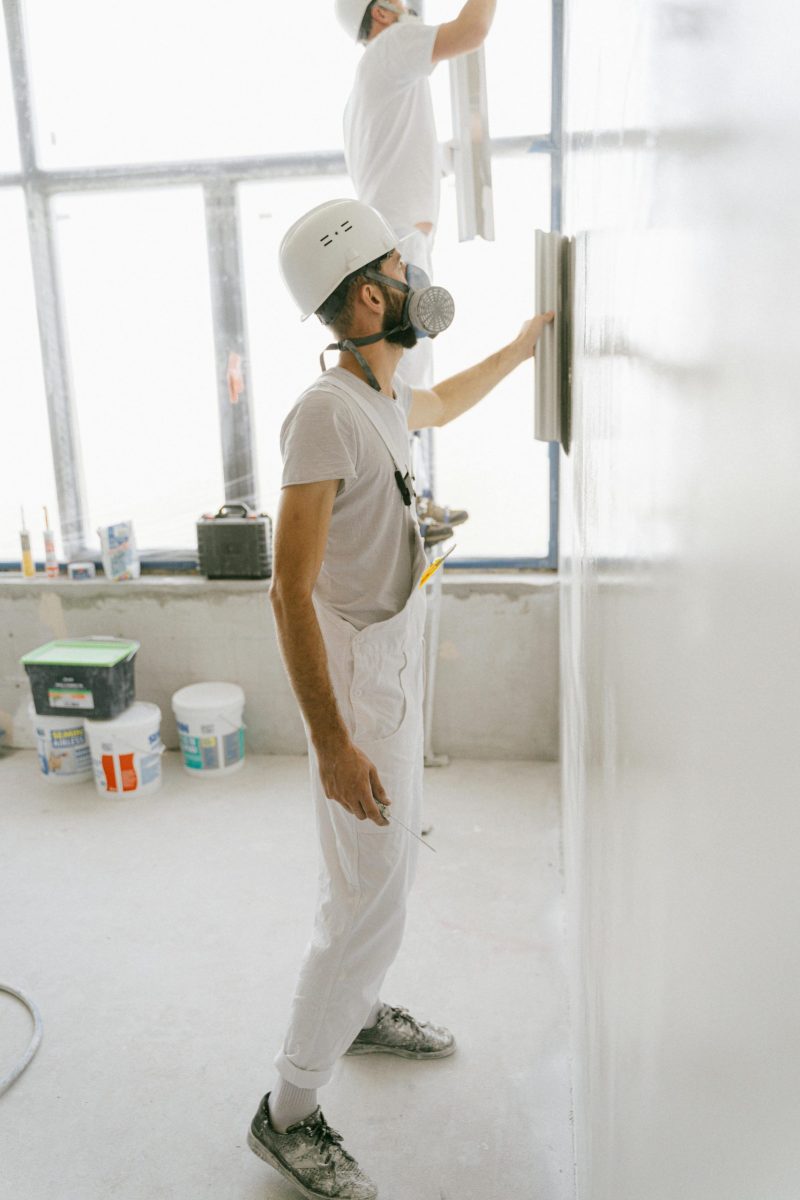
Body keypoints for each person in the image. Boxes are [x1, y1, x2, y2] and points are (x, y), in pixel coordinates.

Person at [247, 197, 553, 1200]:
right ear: (372, 294)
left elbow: (437, 405)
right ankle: (288, 1110)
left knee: (381, 878)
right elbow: (286, 585)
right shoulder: (325, 411)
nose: (418, 278)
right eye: (399, 262)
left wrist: (518, 348)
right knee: (366, 901)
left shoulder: (380, 395)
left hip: (387, 666)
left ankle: (358, 1007)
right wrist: (331, 744)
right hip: (357, 690)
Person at [336, 0, 497, 536]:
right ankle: (406, 508)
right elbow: (471, 31)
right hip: (398, 259)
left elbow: (407, 161)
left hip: (393, 254)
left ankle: (413, 502)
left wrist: (457, 154)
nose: (410, 7)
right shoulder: (393, 46)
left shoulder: (371, 84)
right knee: (402, 392)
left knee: (403, 386)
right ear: (381, 12)